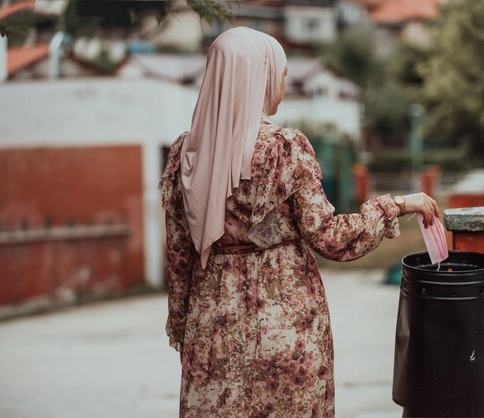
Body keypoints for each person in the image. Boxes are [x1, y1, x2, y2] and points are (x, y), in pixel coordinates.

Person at [158, 26, 440, 418]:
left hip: (213, 329)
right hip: (286, 327)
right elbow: (329, 238)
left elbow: (178, 258)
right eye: (281, 73)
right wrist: (395, 204)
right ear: (258, 77)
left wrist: (184, 325)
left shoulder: (182, 155)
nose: (284, 83)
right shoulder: (283, 148)